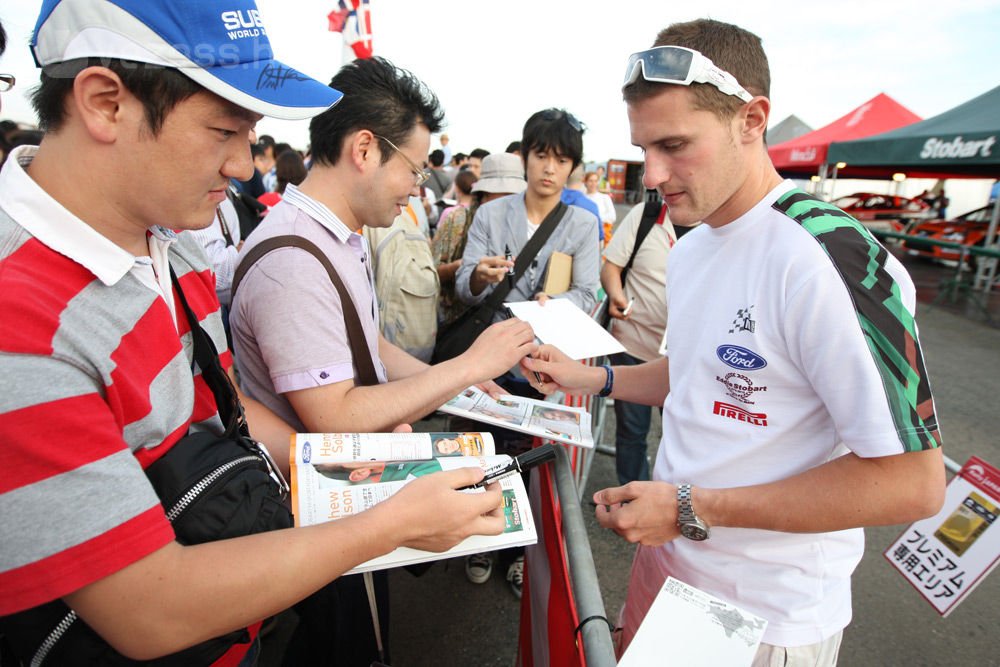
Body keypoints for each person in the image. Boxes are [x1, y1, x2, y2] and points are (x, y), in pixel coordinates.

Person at [0, 3, 509, 665]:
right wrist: (389, 523)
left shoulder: (168, 243)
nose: (245, 164)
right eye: (223, 130)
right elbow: (148, 608)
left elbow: (231, 406)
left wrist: (337, 467)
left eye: (252, 134)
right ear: (104, 103)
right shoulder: (21, 318)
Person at [521, 19, 945, 665]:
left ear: (752, 119)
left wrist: (692, 506)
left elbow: (911, 483)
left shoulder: (831, 256)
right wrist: (595, 378)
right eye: (643, 147)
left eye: (675, 144)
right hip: (670, 563)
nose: (654, 173)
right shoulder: (693, 242)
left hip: (764, 612)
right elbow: (700, 370)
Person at [454, 108, 600, 596]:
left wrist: (554, 305)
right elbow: (463, 286)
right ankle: (476, 540)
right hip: (487, 360)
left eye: (561, 159)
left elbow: (587, 293)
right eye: (541, 155)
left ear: (573, 166)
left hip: (542, 368)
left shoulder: (582, 222)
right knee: (479, 453)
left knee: (529, 463)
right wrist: (480, 276)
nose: (550, 168)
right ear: (525, 156)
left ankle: (516, 550)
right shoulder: (493, 214)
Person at [601, 198, 696, 485]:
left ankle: (674, 505)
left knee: (685, 436)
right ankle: (633, 499)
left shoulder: (722, 226)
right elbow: (611, 268)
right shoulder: (645, 215)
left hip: (690, 360)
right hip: (634, 344)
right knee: (632, 430)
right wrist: (616, 295)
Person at [433, 152, 527, 326]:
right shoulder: (458, 219)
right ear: (484, 194)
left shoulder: (525, 225)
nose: (511, 201)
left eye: (515, 195)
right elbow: (430, 273)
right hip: (458, 324)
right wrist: (461, 268)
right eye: (503, 194)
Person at [585, 169, 618, 242]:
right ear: (586, 182)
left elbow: (612, 216)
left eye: (595, 181)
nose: (593, 183)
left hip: (601, 235)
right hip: (585, 235)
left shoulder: (605, 197)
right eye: (590, 181)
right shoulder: (582, 198)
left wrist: (596, 219)